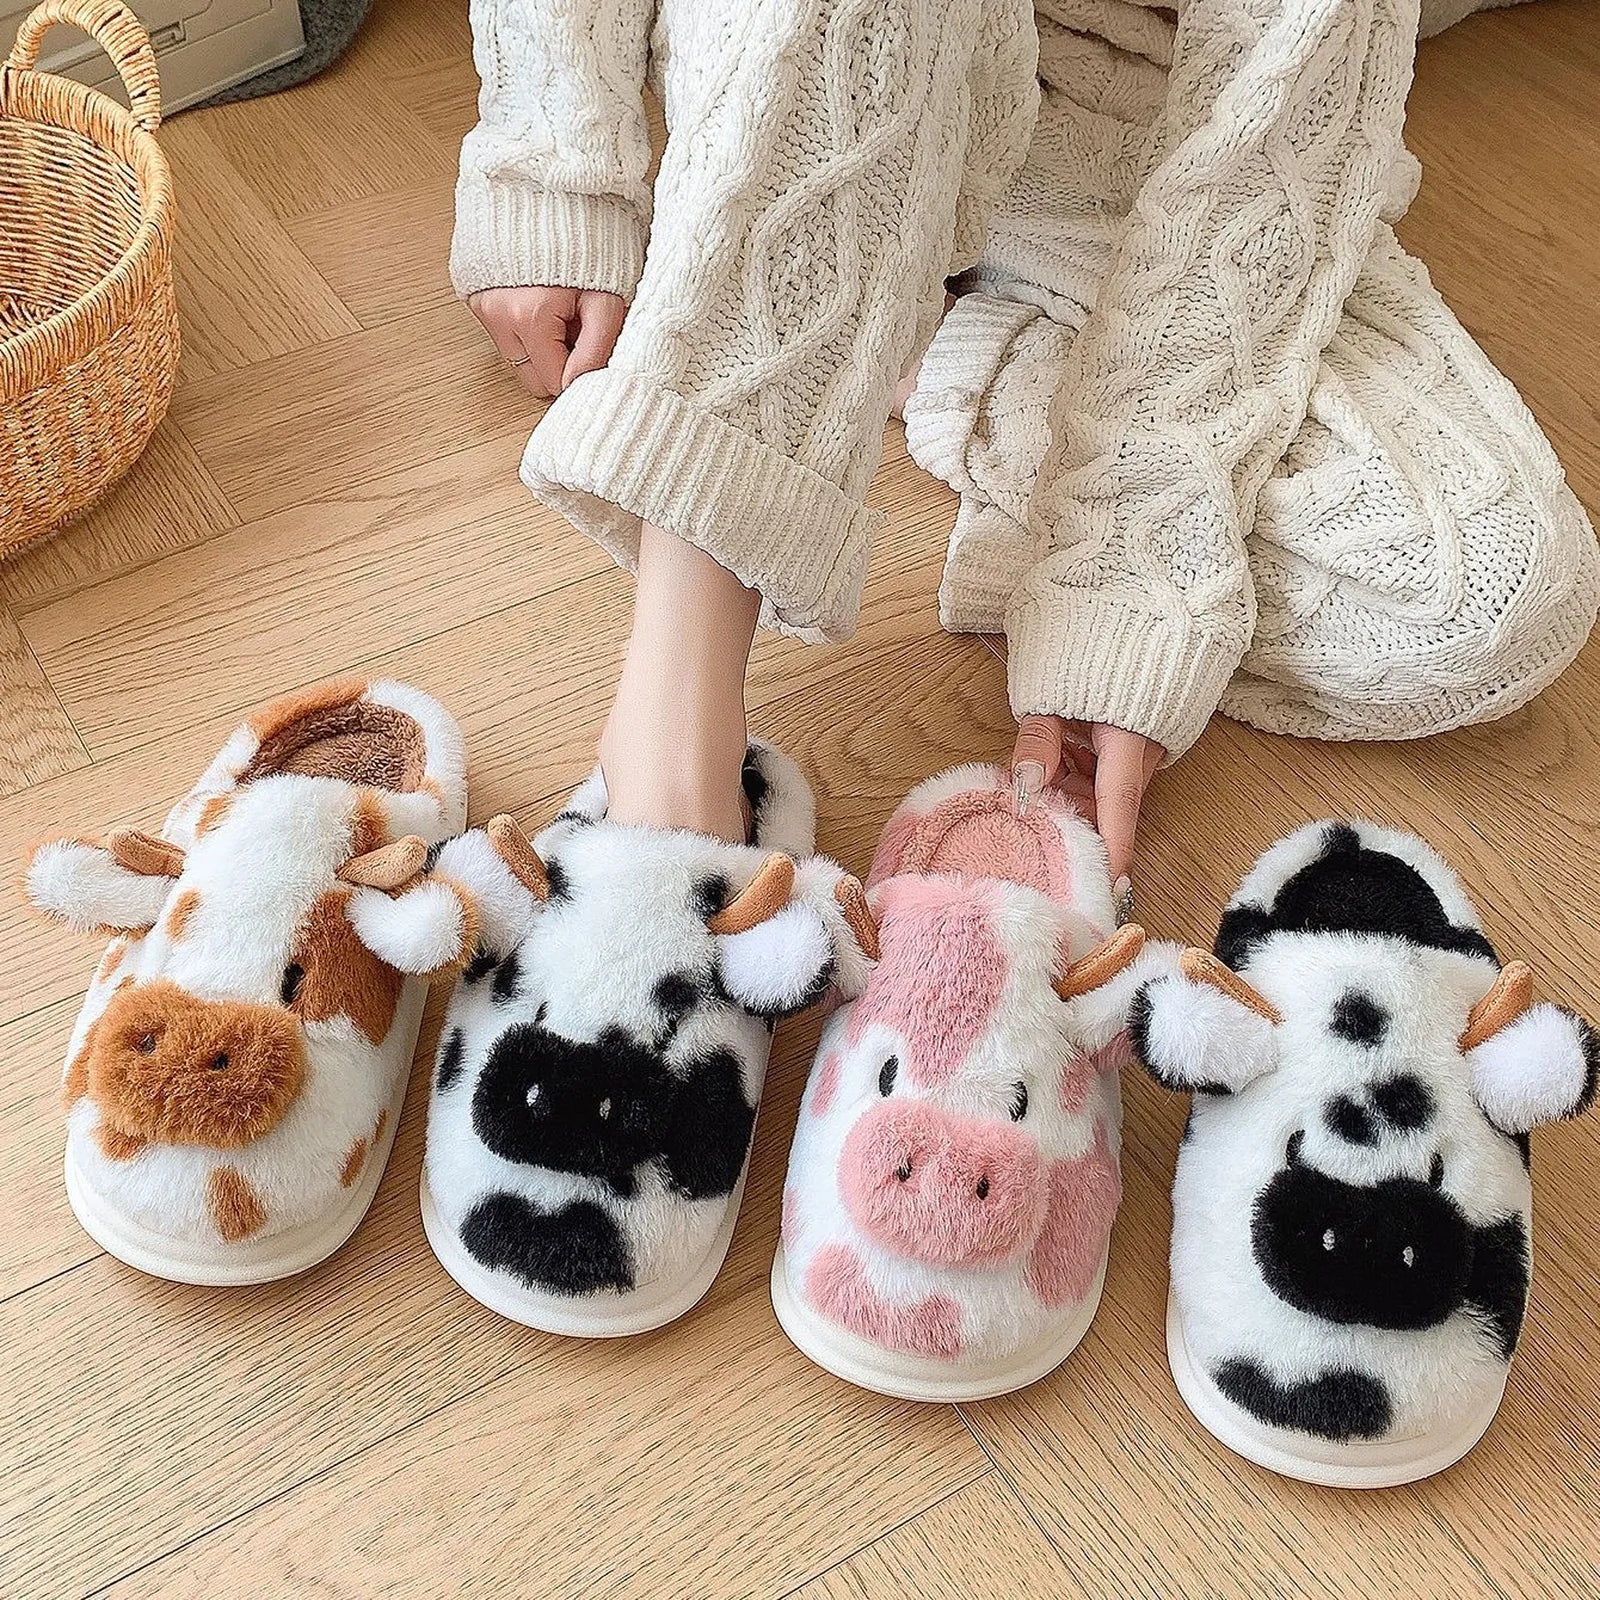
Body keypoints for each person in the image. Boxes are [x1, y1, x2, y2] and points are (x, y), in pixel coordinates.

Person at [452, 0, 1597, 890]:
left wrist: (1122, 567)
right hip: (811, 61)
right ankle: (668, 751)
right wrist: (553, 163)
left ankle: (920, 343)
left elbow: (1275, 118)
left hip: (1130, 133)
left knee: (1486, 586)